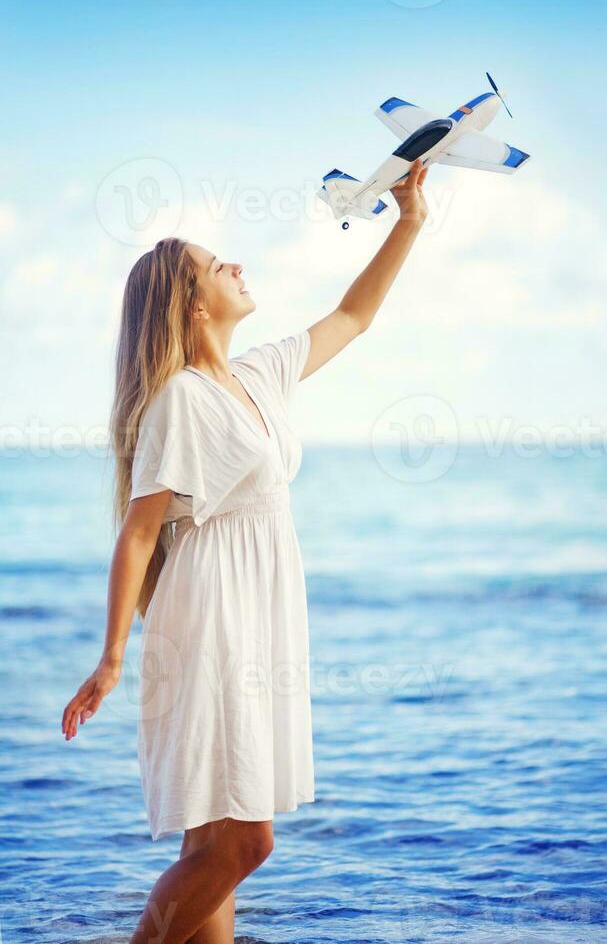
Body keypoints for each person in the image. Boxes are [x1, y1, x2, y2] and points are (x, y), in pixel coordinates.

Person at [61, 158, 429, 943]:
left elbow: (353, 317)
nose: (233, 263)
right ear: (190, 304)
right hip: (210, 625)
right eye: (211, 265)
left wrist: (408, 221)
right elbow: (137, 530)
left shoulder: (259, 374)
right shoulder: (178, 401)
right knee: (244, 842)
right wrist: (112, 657)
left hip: (255, 619)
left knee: (213, 842)